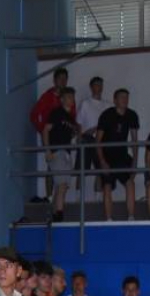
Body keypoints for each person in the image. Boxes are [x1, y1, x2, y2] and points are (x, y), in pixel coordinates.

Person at [96, 88, 140, 221]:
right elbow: (97, 141)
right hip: (107, 155)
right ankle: (109, 219)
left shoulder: (132, 115)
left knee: (130, 182)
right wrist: (102, 161)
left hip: (122, 155)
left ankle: (131, 217)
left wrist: (135, 162)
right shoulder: (106, 115)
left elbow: (134, 141)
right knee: (107, 185)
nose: (125, 100)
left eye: (126, 97)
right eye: (122, 97)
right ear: (115, 100)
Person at [44, 87, 80, 222]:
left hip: (66, 152)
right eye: (69, 97)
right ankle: (59, 214)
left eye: (73, 97)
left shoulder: (71, 118)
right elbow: (46, 130)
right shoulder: (57, 113)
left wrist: (76, 132)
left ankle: (55, 214)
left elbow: (72, 134)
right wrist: (48, 150)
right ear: (62, 99)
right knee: (62, 183)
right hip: (57, 150)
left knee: (62, 185)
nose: (72, 100)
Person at [32, 67, 69, 200]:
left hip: (64, 137)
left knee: (64, 165)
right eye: (60, 79)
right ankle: (49, 197)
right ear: (55, 80)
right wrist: (42, 130)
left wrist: (72, 131)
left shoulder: (68, 97)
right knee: (51, 165)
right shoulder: (48, 96)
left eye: (65, 79)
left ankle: (59, 198)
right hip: (51, 136)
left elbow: (72, 116)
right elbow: (35, 114)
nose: (63, 81)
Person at [76, 76, 111, 194]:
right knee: (82, 170)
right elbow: (79, 123)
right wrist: (80, 137)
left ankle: (98, 198)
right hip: (87, 139)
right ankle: (78, 198)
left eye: (101, 85)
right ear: (91, 87)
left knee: (101, 170)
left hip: (102, 140)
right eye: (96, 85)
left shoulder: (108, 105)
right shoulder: (86, 103)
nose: (99, 87)